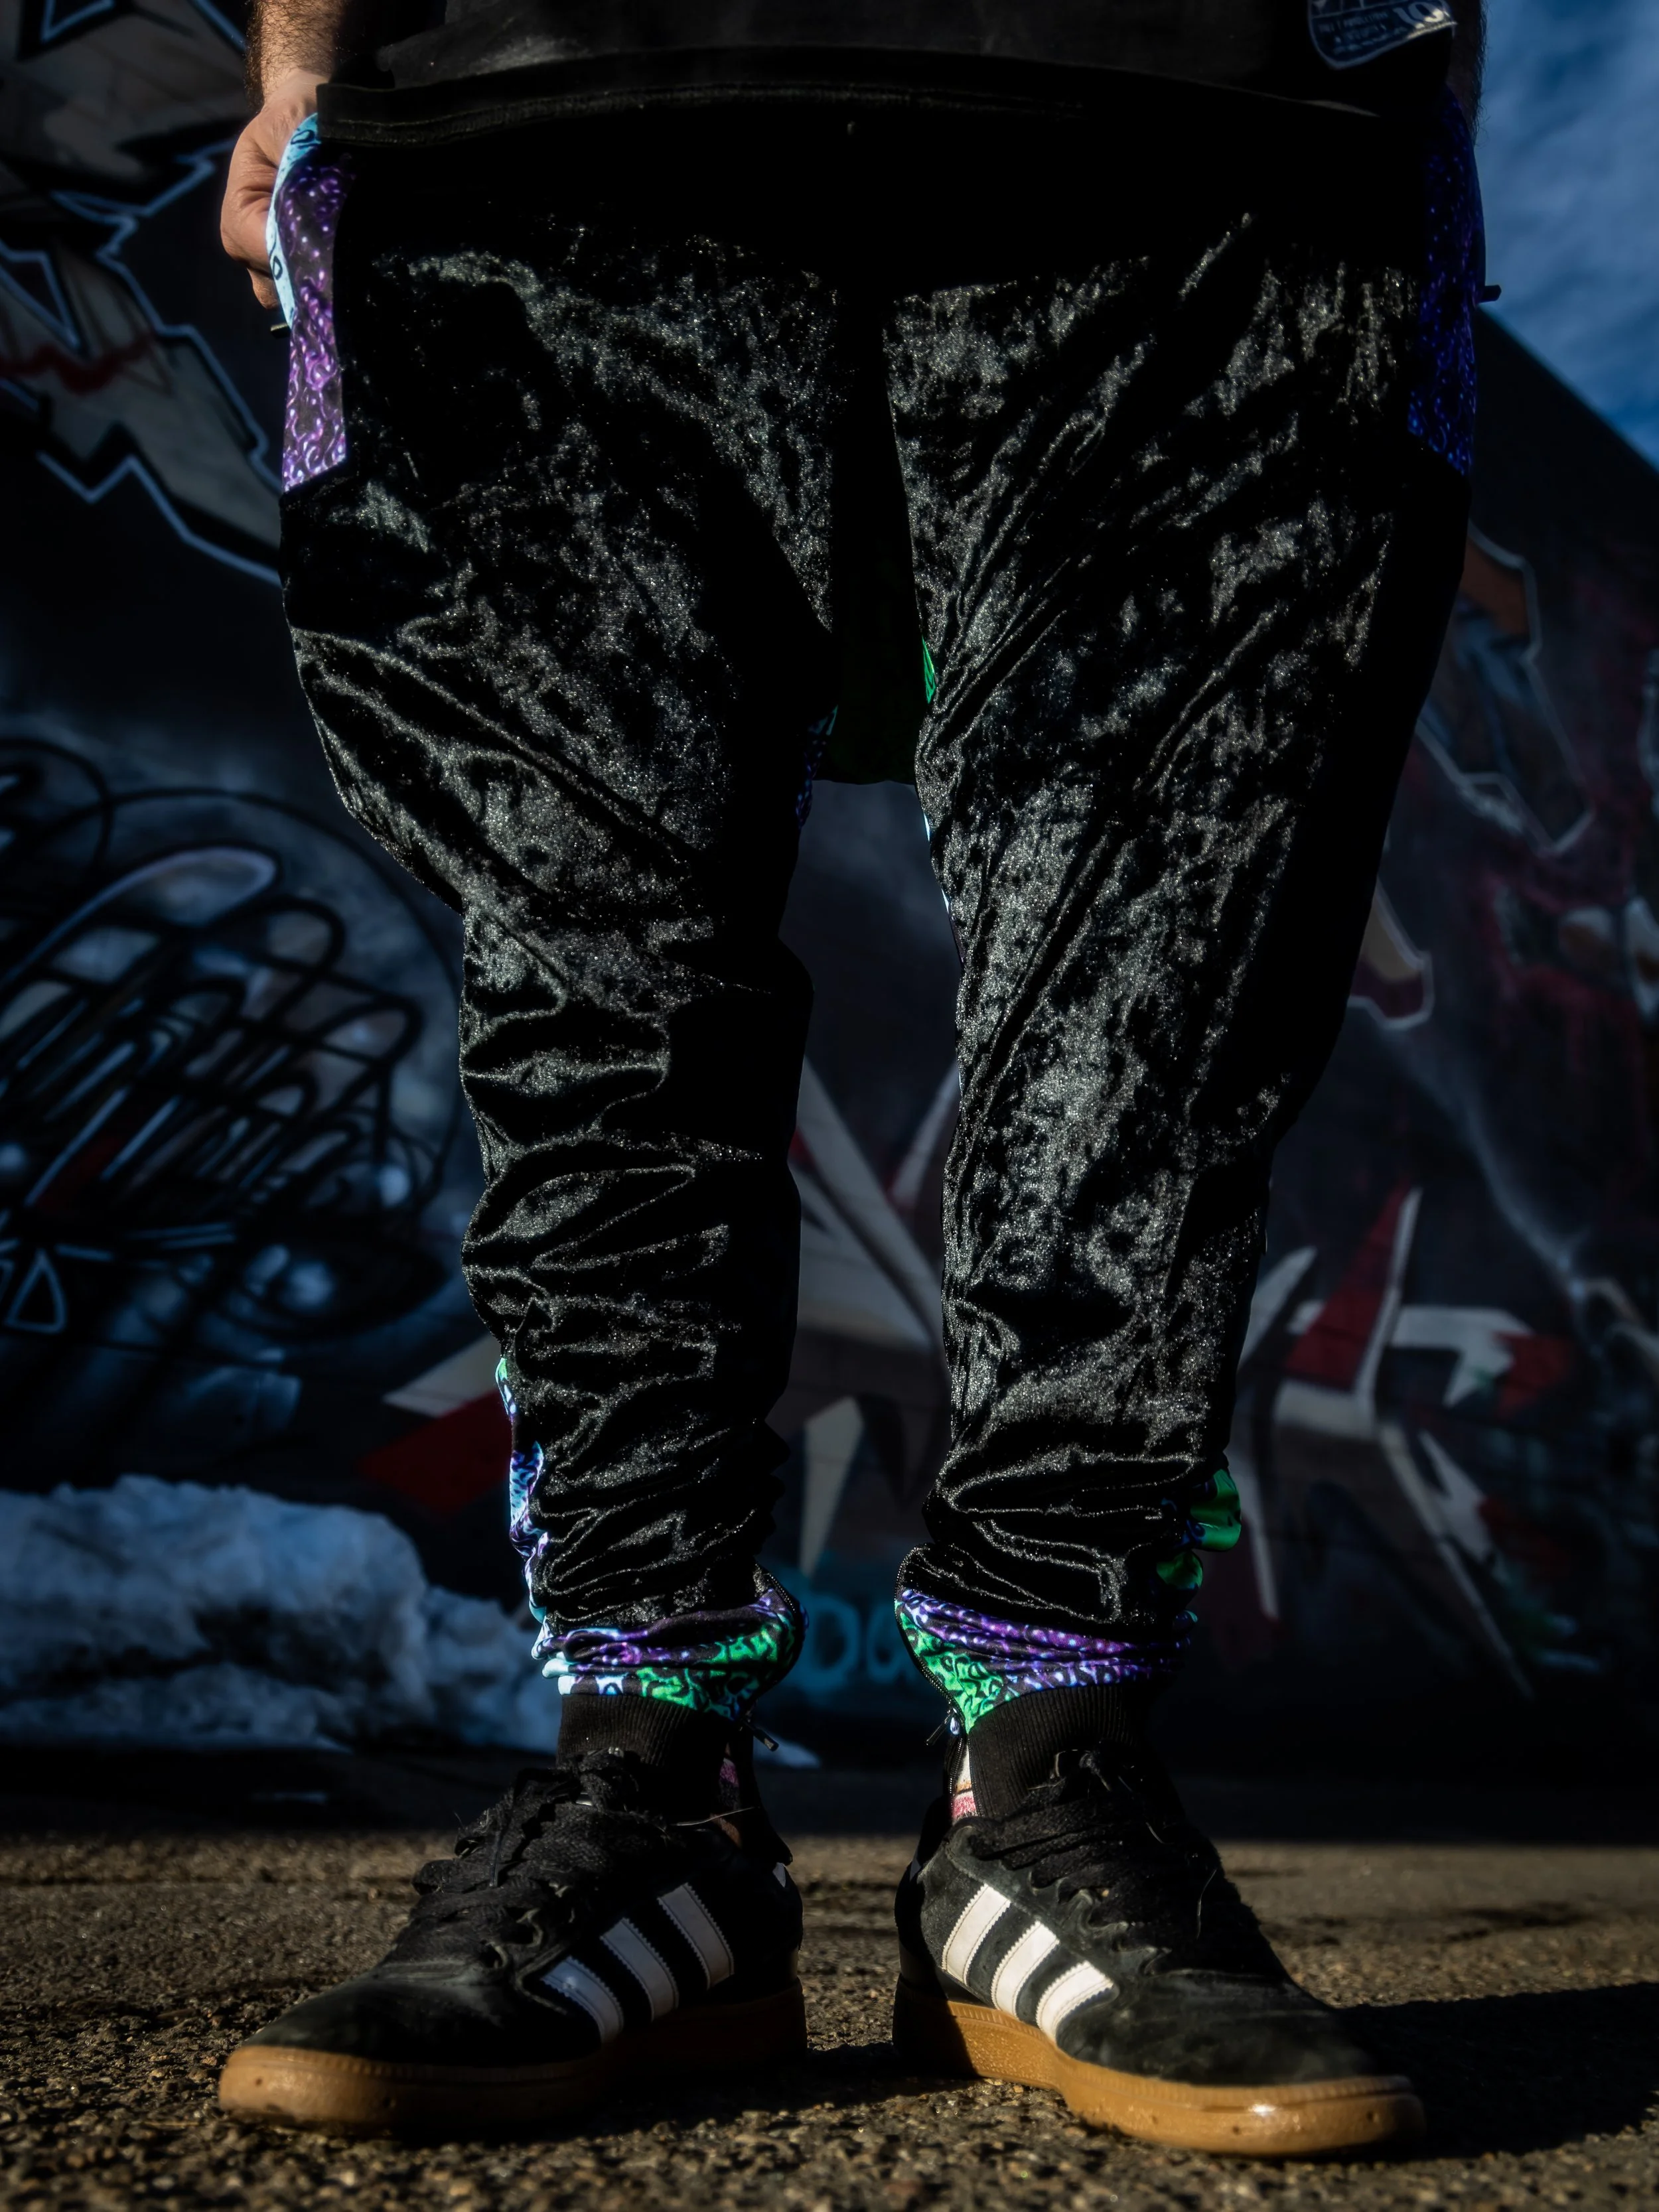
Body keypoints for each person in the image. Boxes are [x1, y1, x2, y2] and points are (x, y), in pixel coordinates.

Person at [216, 0, 1485, 2158]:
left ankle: (1039, 1780)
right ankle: (654, 1792)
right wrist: (313, 54)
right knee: (588, 984)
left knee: (1151, 985)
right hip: (516, 102)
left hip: (1221, 114)